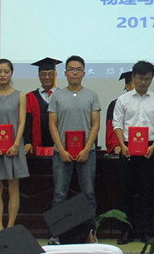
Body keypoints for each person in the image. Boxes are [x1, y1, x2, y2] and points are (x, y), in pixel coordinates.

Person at [113, 61, 154, 244]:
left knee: (147, 193)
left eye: (147, 79)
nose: (143, 82)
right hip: (128, 148)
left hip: (149, 149)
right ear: (133, 77)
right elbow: (117, 124)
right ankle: (126, 231)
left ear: (152, 79)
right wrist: (122, 145)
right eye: (140, 78)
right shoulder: (123, 100)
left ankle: (146, 231)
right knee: (125, 193)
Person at [48, 55, 101, 214]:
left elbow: (96, 125)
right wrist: (61, 150)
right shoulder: (57, 96)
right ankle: (58, 230)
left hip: (87, 153)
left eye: (78, 70)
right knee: (59, 195)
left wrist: (86, 149)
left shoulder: (92, 95)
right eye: (71, 70)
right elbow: (52, 124)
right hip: (61, 153)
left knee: (89, 194)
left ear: (84, 73)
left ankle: (90, 228)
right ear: (65, 73)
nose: (75, 73)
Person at [0, 59, 29, 231]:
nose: (3, 75)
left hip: (13, 148)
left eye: (6, 71)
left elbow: (22, 122)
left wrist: (16, 144)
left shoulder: (20, 96)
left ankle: (10, 227)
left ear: (11, 73)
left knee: (14, 187)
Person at [24, 57, 61, 155]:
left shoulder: (63, 96)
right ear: (39, 76)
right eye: (44, 74)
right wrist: (27, 142)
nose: (47, 77)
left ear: (55, 75)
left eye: (50, 74)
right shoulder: (30, 97)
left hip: (60, 148)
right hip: (36, 146)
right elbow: (27, 122)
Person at [105, 71, 134, 155]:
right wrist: (116, 145)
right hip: (123, 147)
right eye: (135, 83)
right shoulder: (116, 104)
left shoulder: (148, 103)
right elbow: (111, 127)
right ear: (127, 87)